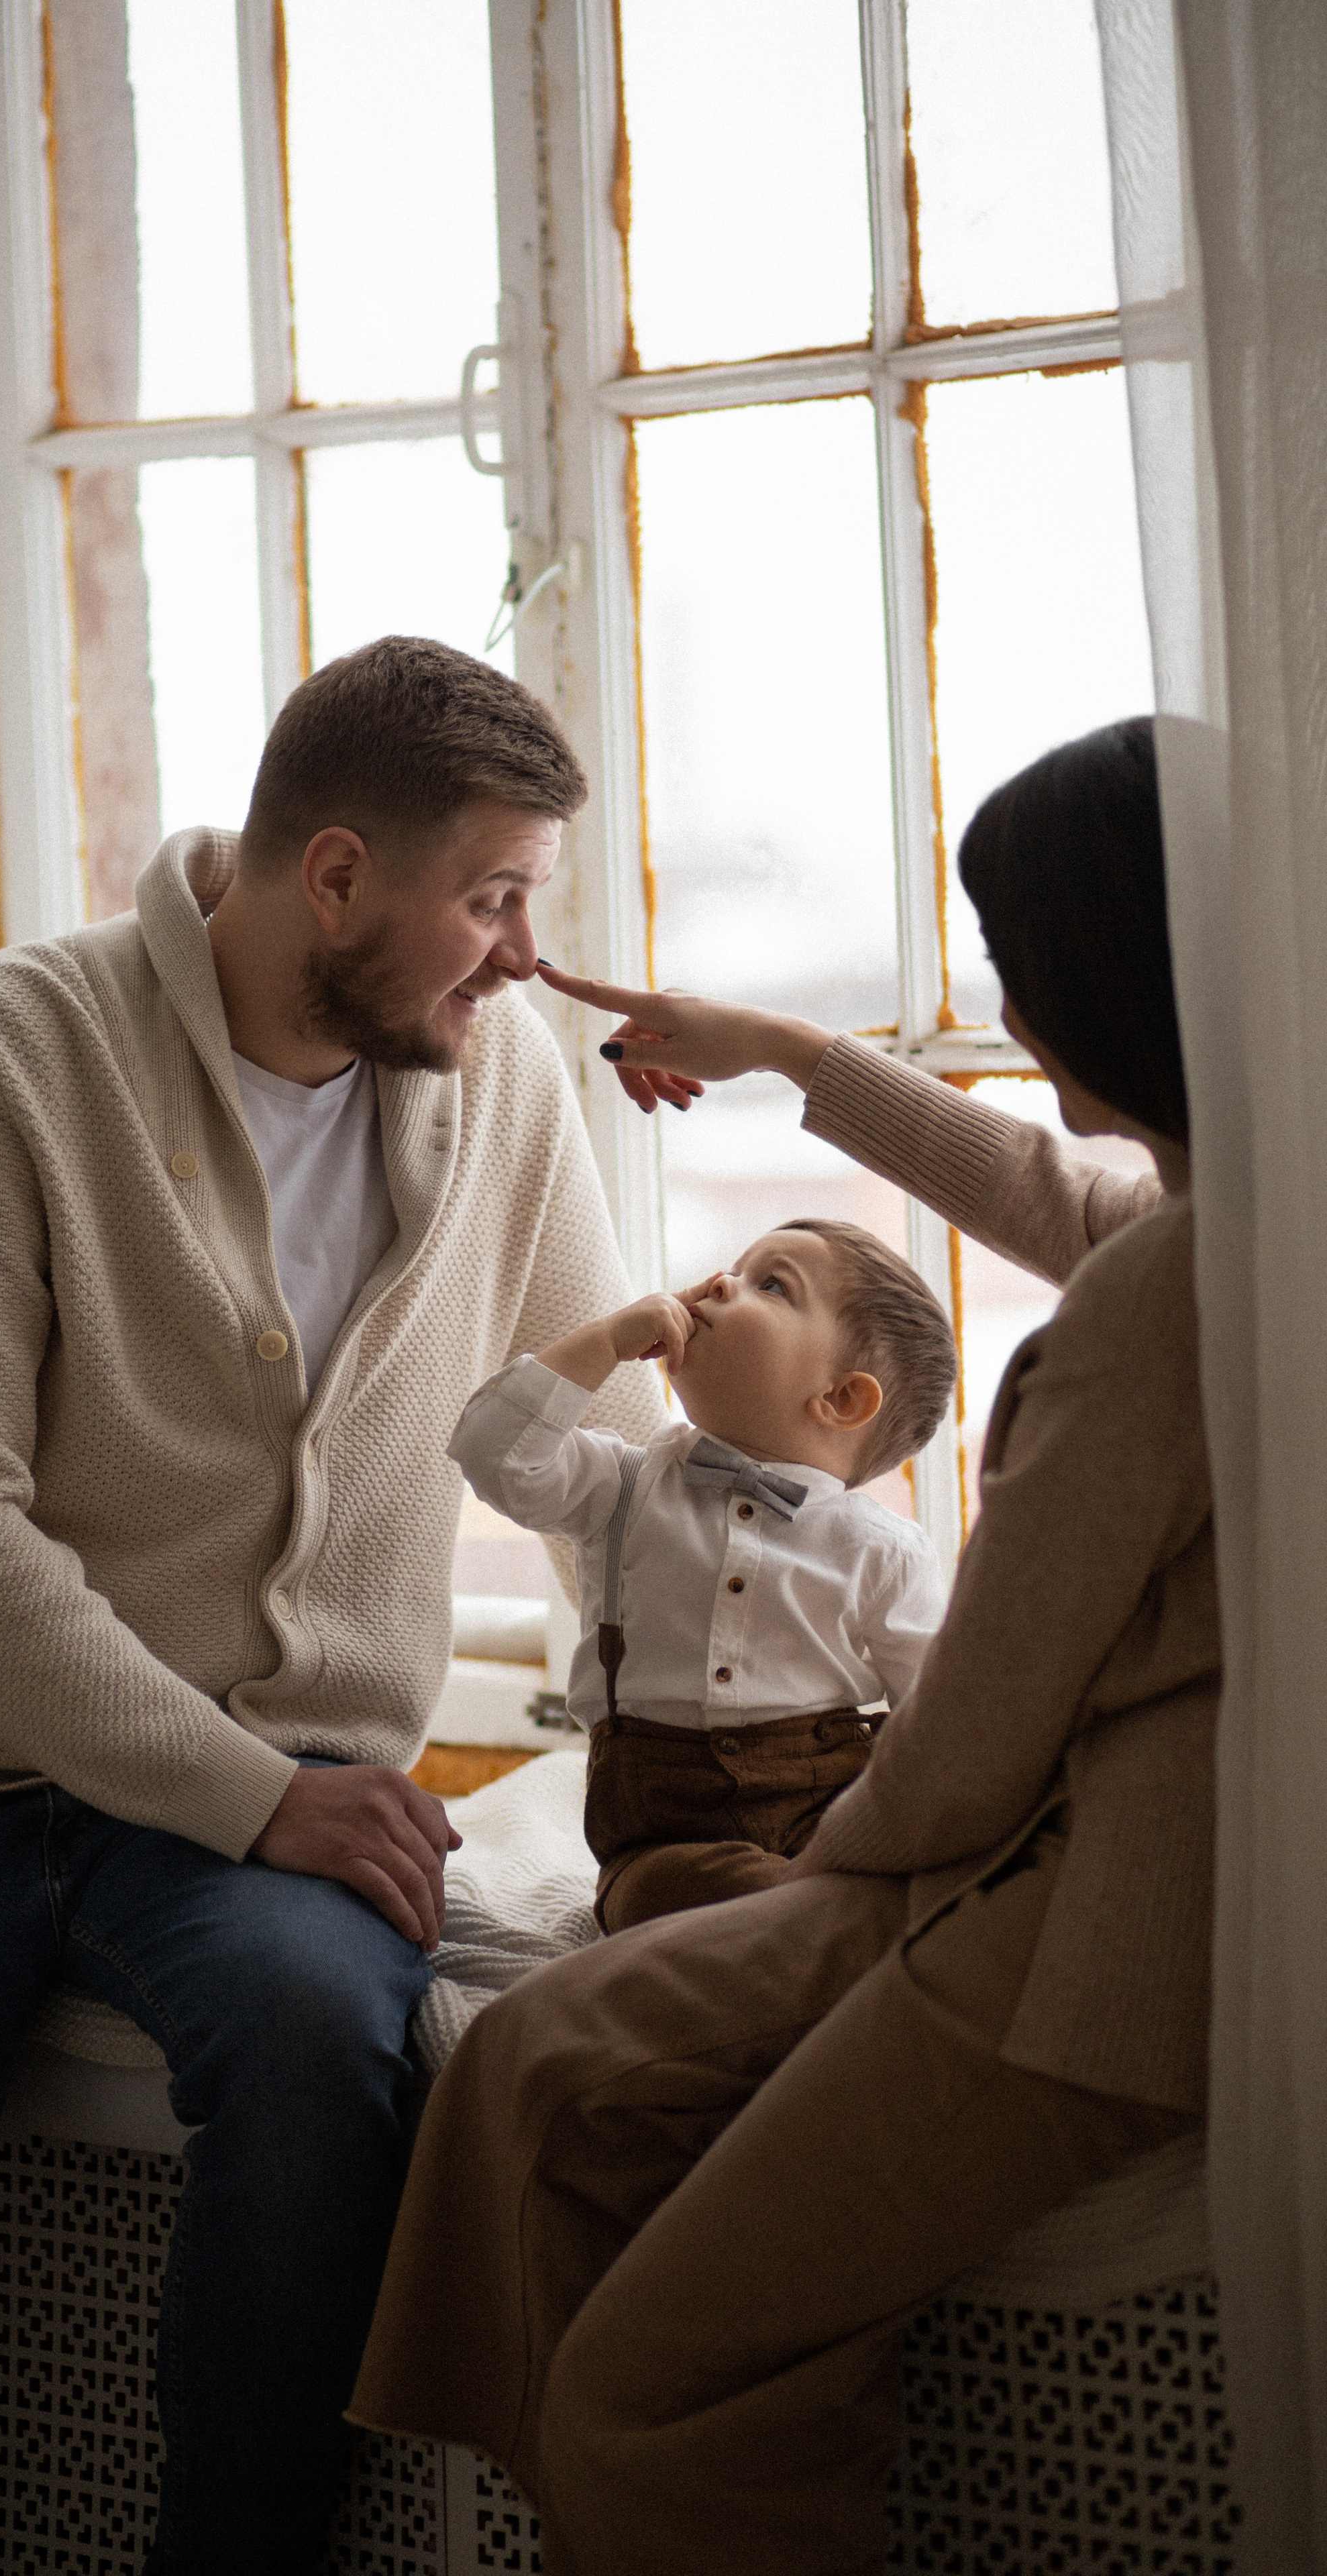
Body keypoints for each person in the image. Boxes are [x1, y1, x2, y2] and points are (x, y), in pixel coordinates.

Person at [0, 637, 667, 2576]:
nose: (528, 953)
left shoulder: (499, 1078)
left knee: (314, 2058)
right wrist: (261, 1798)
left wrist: (716, 1725)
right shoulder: (7, 1046)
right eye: (496, 899)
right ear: (335, 877)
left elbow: (607, 1428)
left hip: (270, 1798)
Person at [348, 715, 1213, 2576]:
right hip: (999, 1868)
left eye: (1023, 976)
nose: (1009, 1011)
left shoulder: (1166, 1303)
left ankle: (568, 2470)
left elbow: (974, 1725)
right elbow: (1095, 1213)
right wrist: (784, 1053)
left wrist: (831, 1862)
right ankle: (545, 2473)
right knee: (537, 2058)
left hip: (1078, 1922)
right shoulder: (1253, 1208)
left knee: (629, 2349)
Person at [449, 1220, 953, 1930]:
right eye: (735, 1267)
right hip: (663, 1840)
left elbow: (939, 1720)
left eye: (770, 1285)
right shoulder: (621, 1484)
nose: (719, 1283)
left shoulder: (881, 1551)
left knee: (911, 1887)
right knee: (669, 1897)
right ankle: (818, 1922)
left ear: (840, 1399)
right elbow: (492, 1453)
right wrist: (605, 1341)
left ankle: (826, 1918)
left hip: (824, 1814)